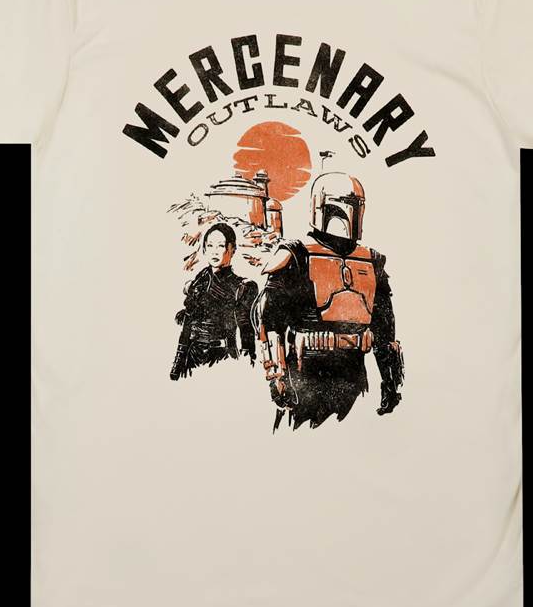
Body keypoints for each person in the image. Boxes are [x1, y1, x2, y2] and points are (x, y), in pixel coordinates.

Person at [253, 172, 404, 431]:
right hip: (304, 374)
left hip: (354, 374)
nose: (345, 215)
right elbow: (268, 319)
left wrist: (390, 380)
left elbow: (384, 327)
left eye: (353, 206)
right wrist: (277, 376)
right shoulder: (297, 255)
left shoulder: (372, 260)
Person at [170, 222, 259, 380]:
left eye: (220, 246)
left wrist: (247, 362)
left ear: (232, 249)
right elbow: (187, 327)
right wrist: (178, 363)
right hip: (192, 357)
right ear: (204, 249)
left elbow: (246, 331)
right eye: (210, 245)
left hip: (222, 357)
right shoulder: (199, 282)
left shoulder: (242, 287)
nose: (214, 251)